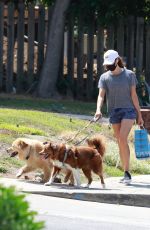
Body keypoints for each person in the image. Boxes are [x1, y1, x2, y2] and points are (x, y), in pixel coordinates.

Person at [94, 49, 144, 184]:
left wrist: (139, 115)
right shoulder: (104, 77)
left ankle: (127, 173)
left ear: (117, 61)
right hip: (114, 111)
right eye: (107, 64)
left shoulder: (129, 75)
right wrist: (98, 109)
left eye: (111, 63)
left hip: (128, 111)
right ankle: (125, 171)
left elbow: (134, 96)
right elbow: (101, 95)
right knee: (120, 142)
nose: (108, 66)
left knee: (122, 138)